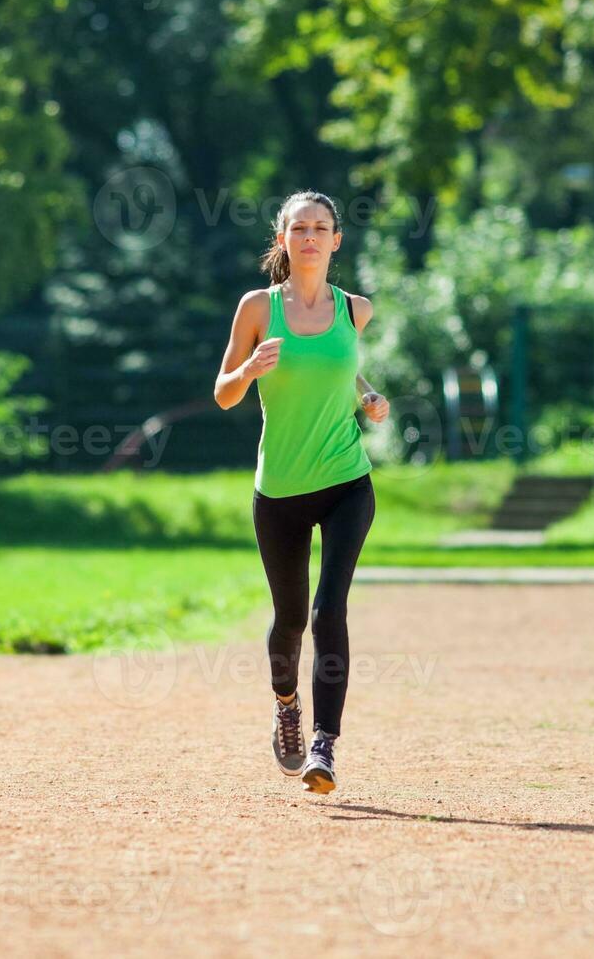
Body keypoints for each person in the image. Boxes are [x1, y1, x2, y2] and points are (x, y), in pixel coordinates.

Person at [213, 190, 390, 794]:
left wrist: (366, 395)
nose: (311, 237)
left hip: (346, 480)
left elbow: (337, 367)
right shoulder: (258, 308)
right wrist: (248, 371)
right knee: (289, 620)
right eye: (299, 228)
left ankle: (324, 745)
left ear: (337, 240)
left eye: (321, 228)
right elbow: (224, 393)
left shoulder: (355, 310)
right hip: (281, 489)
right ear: (282, 239)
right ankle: (286, 704)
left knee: (327, 611)